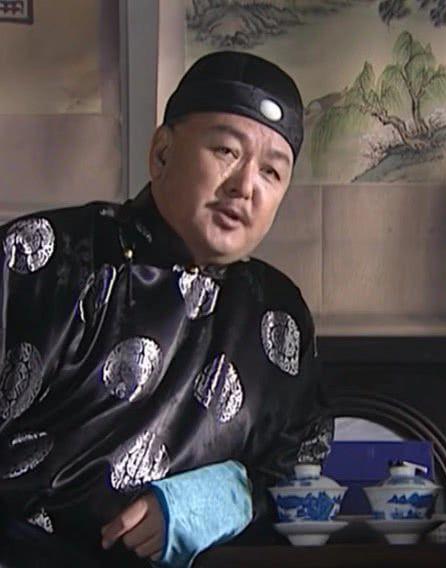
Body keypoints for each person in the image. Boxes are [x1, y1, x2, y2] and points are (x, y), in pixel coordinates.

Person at [0, 51, 332, 567]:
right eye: (226, 151)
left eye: (271, 171)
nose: (246, 185)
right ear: (161, 154)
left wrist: (219, 498)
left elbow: (298, 471)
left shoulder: (277, 312)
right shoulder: (43, 258)